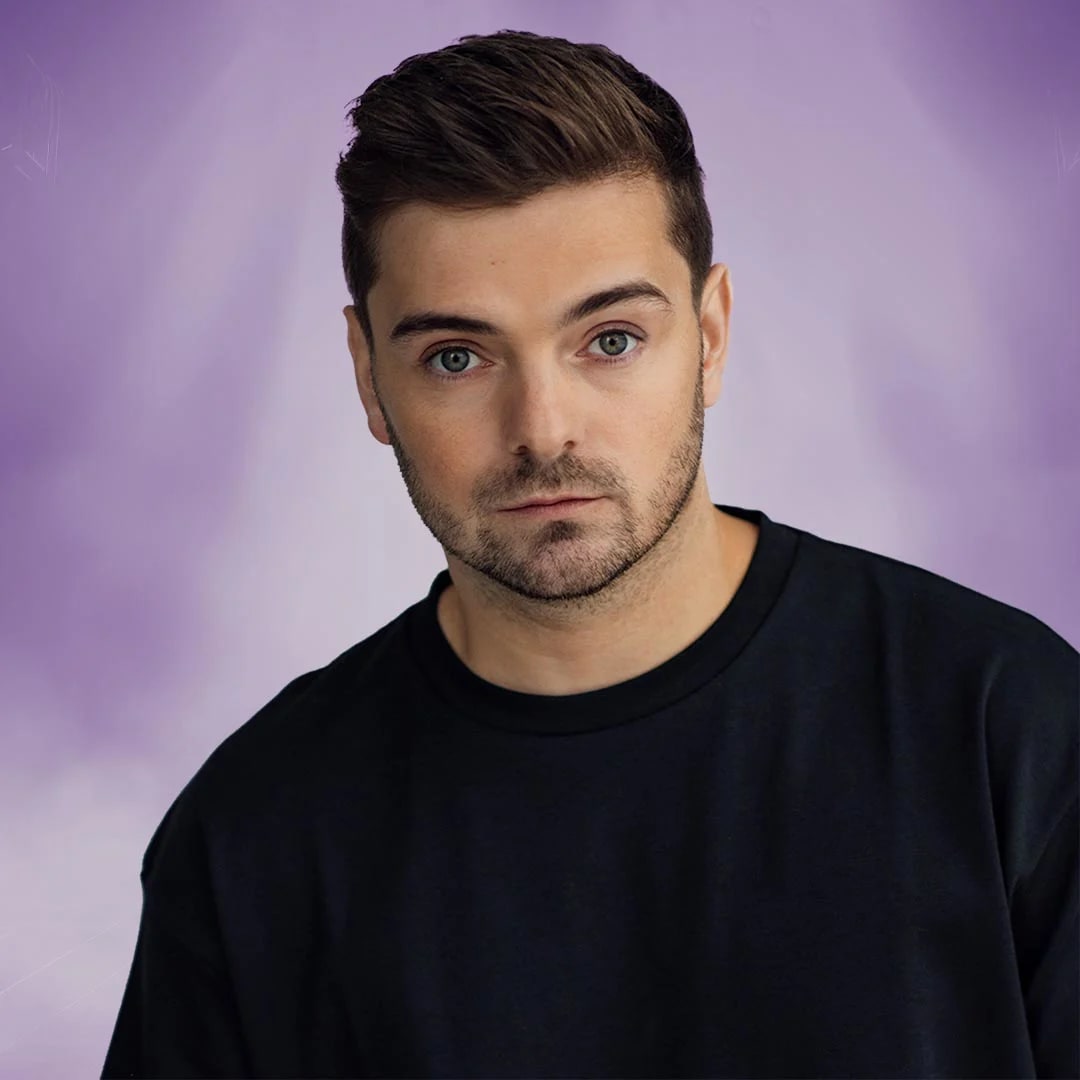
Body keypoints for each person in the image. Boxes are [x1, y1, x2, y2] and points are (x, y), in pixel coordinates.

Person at [101, 28, 1078, 1080]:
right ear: (368, 374)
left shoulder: (1003, 727)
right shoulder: (252, 837)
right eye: (457, 357)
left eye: (610, 339)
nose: (543, 429)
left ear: (710, 335)